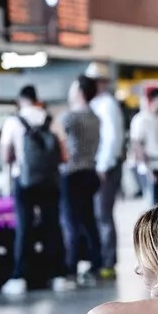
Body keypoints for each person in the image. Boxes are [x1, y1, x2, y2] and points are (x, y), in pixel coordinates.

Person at [0, 85, 73, 296]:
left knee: (24, 226)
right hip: (50, 180)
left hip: (23, 181)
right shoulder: (50, 119)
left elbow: (6, 157)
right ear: (36, 98)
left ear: (20, 100)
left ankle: (21, 276)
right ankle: (58, 275)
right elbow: (64, 155)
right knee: (52, 225)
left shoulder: (14, 121)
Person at [60, 75, 102, 286]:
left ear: (79, 91)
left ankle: (71, 269)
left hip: (72, 174)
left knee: (71, 223)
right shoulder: (95, 117)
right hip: (90, 171)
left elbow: (62, 145)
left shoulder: (69, 118)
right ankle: (96, 266)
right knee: (89, 221)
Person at [86, 63, 125, 281]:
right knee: (96, 214)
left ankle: (108, 262)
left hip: (107, 167)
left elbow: (112, 138)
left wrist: (102, 166)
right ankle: (99, 259)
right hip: (98, 166)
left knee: (103, 214)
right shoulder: (95, 103)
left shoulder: (107, 104)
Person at [130, 87, 158, 206]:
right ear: (153, 100)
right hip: (149, 163)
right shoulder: (141, 119)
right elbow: (137, 144)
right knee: (152, 202)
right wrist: (147, 168)